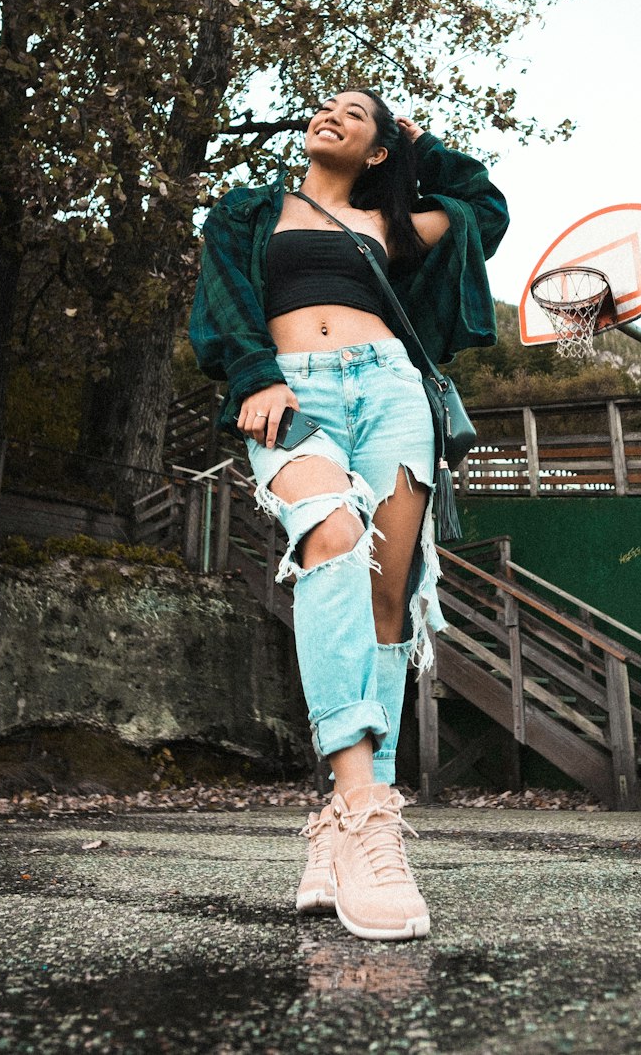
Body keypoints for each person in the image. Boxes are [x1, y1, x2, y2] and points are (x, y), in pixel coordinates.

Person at [189, 88, 508, 941]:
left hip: (394, 391)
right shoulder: (252, 211)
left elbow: (484, 208)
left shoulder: (392, 224)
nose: (331, 112)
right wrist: (255, 372)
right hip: (294, 390)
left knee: (385, 598)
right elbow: (223, 299)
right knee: (332, 535)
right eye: (325, 104)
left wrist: (421, 143)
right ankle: (370, 813)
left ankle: (350, 834)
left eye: (356, 113)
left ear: (375, 152)